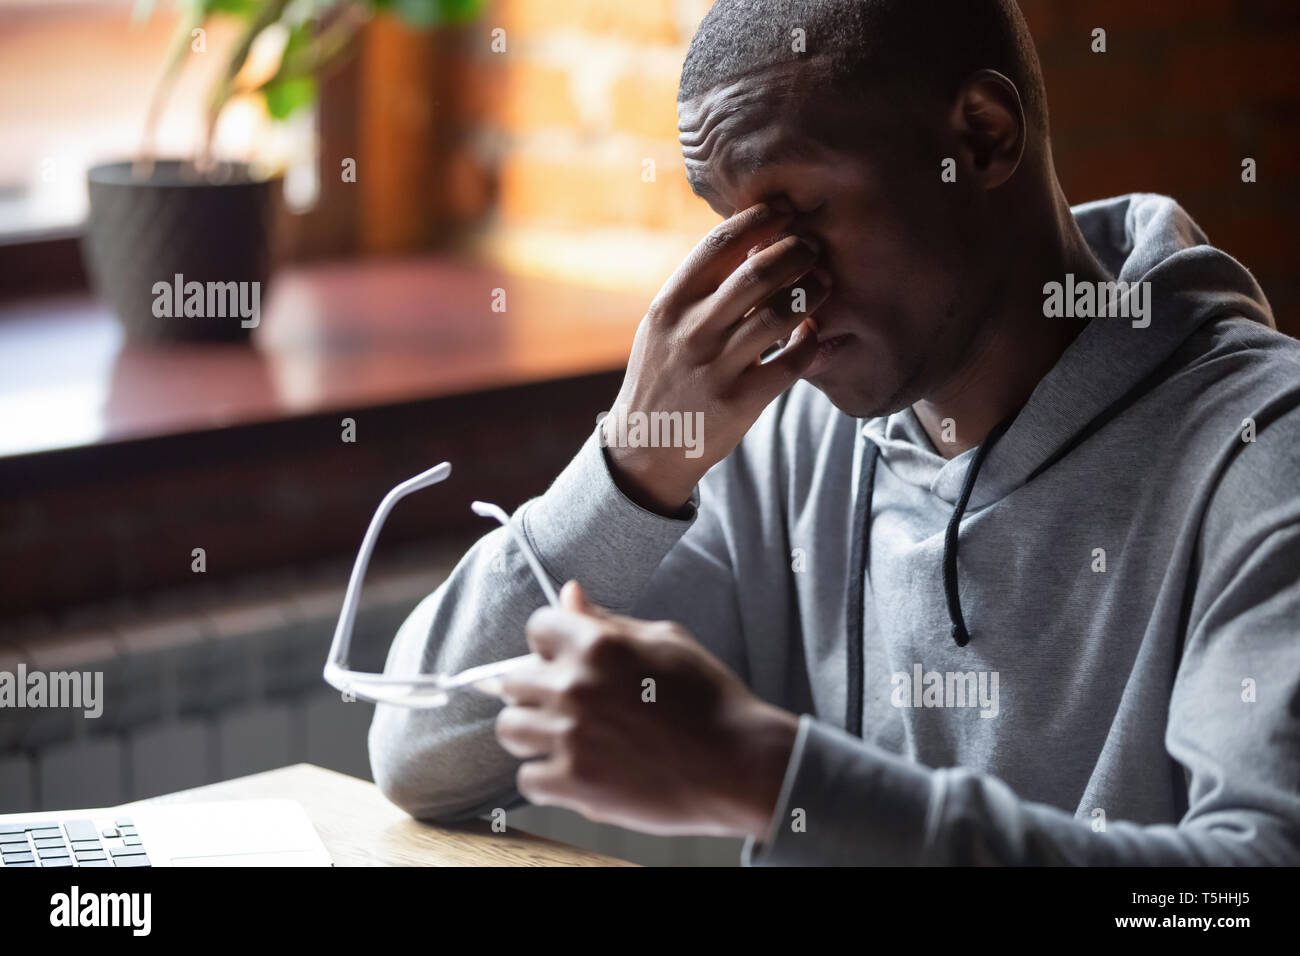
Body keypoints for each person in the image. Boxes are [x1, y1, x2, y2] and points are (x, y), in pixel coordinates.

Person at [369, 0, 1300, 864]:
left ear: (982, 137)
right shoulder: (792, 443)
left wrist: (772, 777)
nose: (777, 286)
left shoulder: (1265, 451)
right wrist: (630, 463)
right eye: (733, 229)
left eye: (805, 211)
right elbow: (421, 753)